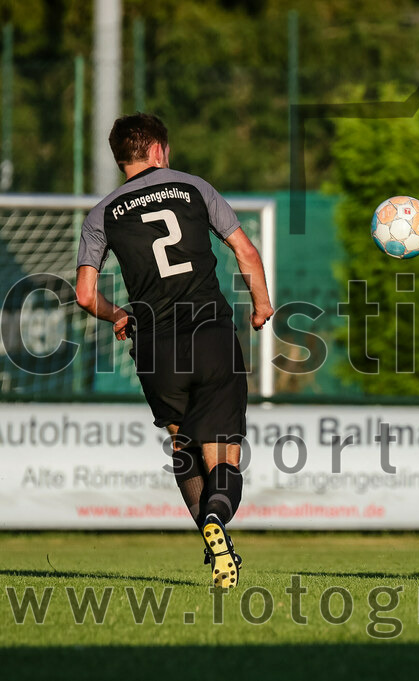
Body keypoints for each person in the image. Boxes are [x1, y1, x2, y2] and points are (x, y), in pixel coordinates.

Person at [75, 113, 273, 588]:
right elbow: (245, 251)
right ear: (159, 150)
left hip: (155, 347)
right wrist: (262, 304)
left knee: (184, 446)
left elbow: (84, 295)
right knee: (222, 452)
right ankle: (217, 516)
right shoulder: (193, 188)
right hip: (210, 335)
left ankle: (212, 539)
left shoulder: (101, 213)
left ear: (121, 159)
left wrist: (118, 315)